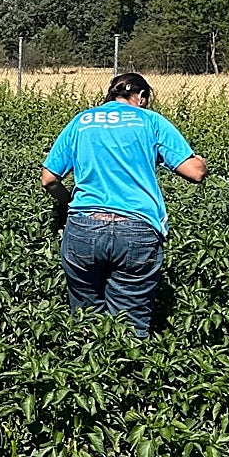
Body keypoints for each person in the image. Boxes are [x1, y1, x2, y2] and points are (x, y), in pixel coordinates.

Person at [40, 73, 207, 338]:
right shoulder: (150, 121)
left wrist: (69, 201)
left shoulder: (82, 121)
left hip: (84, 226)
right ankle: (127, 374)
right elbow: (195, 172)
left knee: (85, 323)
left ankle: (85, 372)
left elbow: (49, 179)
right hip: (137, 229)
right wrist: (200, 160)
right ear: (141, 97)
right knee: (130, 327)